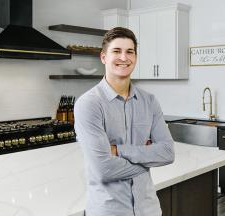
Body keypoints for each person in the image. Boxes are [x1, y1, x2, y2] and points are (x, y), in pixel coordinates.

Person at [74, 27, 175, 216]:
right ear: (103, 57)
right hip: (108, 210)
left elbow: (168, 153)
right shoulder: (89, 104)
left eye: (130, 52)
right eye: (116, 51)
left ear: (135, 57)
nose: (124, 57)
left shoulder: (149, 101)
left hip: (149, 209)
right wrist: (148, 157)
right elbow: (104, 169)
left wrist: (118, 150)